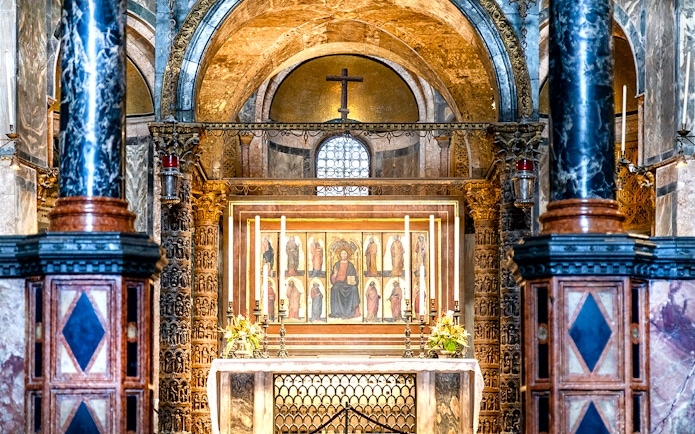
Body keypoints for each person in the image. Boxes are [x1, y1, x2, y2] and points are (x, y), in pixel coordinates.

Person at [329, 249, 361, 319]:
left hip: (348, 284)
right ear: (340, 255)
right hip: (339, 284)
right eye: (342, 253)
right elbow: (332, 279)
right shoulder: (337, 264)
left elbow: (355, 276)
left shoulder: (350, 265)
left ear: (347, 255)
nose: (344, 255)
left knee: (354, 288)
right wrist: (335, 274)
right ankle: (337, 312)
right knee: (334, 288)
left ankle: (351, 311)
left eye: (345, 253)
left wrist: (355, 281)